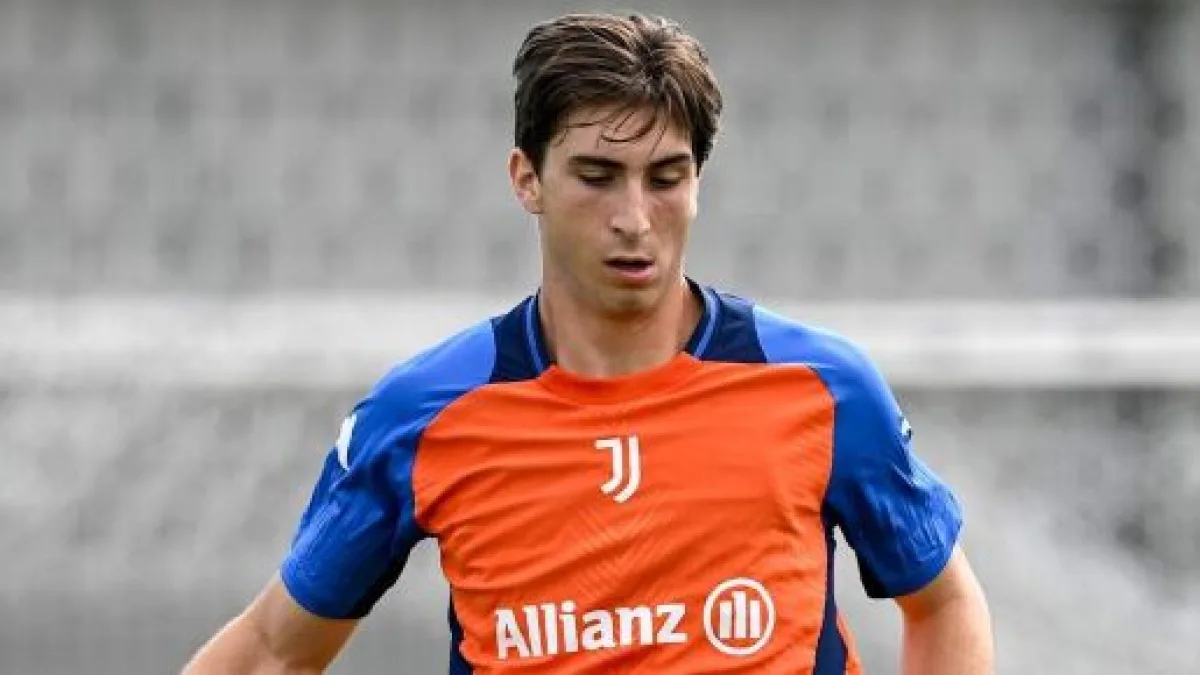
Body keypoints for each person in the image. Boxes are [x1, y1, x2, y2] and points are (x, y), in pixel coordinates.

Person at [183, 12, 993, 674]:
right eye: (597, 176)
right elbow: (274, 650)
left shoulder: (820, 387)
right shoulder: (426, 413)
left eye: (666, 177)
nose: (634, 218)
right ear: (526, 178)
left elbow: (944, 601)